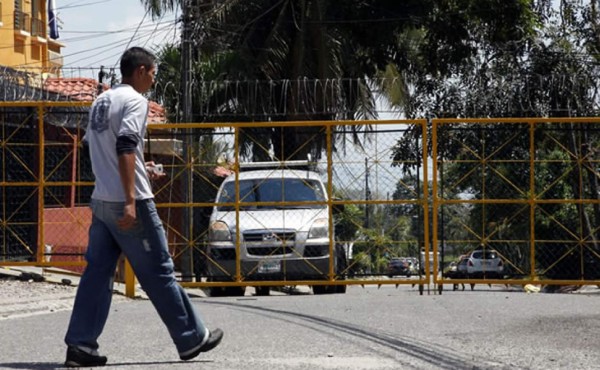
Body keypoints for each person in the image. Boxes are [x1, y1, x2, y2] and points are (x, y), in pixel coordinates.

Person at [63, 47, 223, 367]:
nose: (153, 78)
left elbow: (97, 150)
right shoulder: (136, 101)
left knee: (97, 273)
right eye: (152, 72)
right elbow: (124, 145)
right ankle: (191, 338)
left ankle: (80, 346)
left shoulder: (100, 101)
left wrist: (137, 166)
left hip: (101, 201)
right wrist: (131, 200)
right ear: (139, 71)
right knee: (160, 271)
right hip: (128, 203)